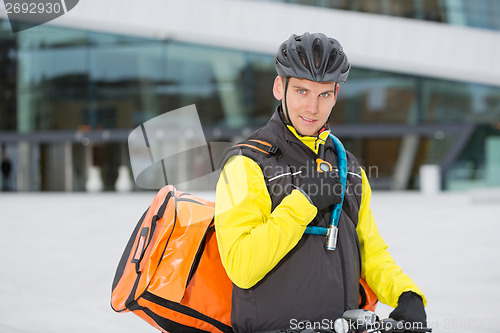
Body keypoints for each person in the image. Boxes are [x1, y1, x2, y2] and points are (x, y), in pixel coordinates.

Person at [214, 32, 427, 333]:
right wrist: (304, 201)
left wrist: (407, 294)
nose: (312, 108)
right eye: (302, 91)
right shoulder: (246, 164)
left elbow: (371, 252)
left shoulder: (349, 167)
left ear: (336, 94)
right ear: (279, 87)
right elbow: (242, 266)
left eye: (323, 94)